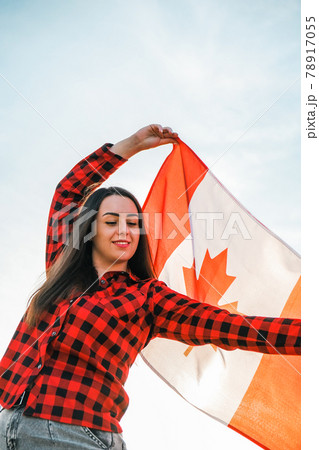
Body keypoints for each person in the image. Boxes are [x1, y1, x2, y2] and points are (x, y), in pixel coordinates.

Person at [0, 124, 301, 450]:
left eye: (133, 223)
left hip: (77, 434)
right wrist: (131, 146)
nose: (124, 231)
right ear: (90, 228)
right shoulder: (63, 268)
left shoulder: (147, 298)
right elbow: (68, 192)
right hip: (8, 424)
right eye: (112, 222)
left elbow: (234, 327)